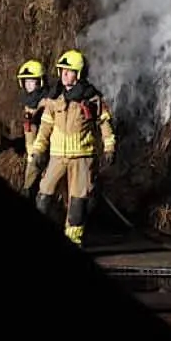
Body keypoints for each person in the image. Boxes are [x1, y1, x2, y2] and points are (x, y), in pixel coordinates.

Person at [31, 50, 116, 245]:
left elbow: (105, 123)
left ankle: (74, 240)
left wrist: (109, 147)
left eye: (68, 71)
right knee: (44, 196)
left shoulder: (92, 98)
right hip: (57, 157)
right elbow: (45, 127)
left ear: (78, 74)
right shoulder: (54, 98)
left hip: (82, 158)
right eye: (62, 70)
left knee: (77, 203)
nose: (64, 74)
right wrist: (38, 150)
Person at [15, 58, 58, 199]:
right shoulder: (27, 102)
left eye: (31, 81)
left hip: (47, 149)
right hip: (33, 150)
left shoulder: (46, 102)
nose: (28, 85)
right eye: (26, 81)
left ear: (39, 82)